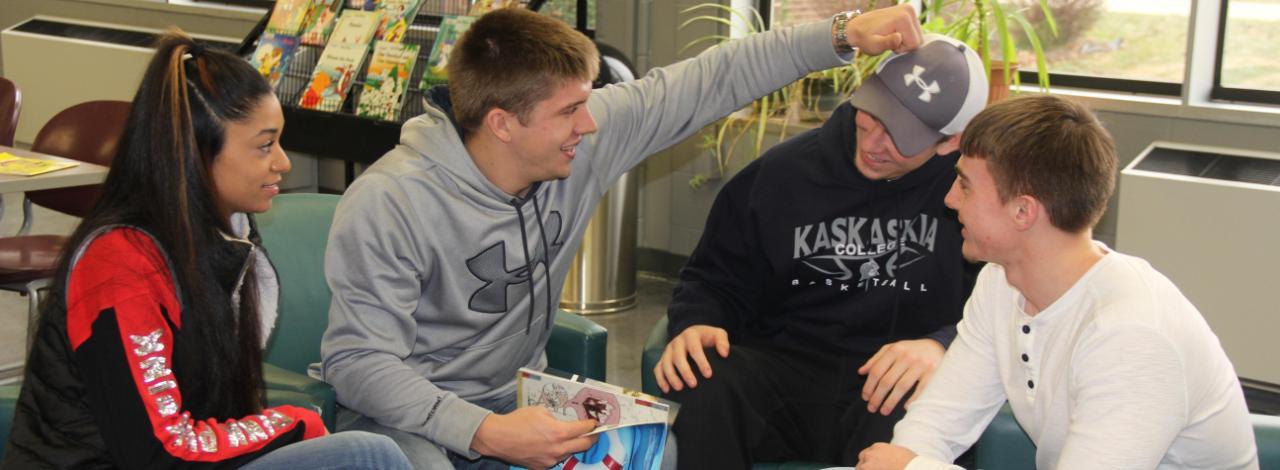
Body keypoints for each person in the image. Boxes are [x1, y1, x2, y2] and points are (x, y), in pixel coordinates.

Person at [320, 5, 926, 469]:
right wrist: (482, 432)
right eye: (569, 112)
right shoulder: (389, 200)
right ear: (503, 124)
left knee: (657, 453)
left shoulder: (579, 140)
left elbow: (711, 78)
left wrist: (842, 33)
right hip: (408, 418)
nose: (590, 124)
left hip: (518, 398)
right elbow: (360, 362)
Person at [0, 31, 410, 470]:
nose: (283, 163)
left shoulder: (222, 238)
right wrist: (291, 425)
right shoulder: (121, 265)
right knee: (368, 454)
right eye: (265, 145)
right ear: (195, 153)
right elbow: (160, 452)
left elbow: (214, 412)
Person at [856, 95, 1259, 470]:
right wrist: (908, 459)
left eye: (964, 185)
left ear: (1022, 211)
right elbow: (939, 420)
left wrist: (911, 467)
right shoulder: (1001, 282)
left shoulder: (1132, 335)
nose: (950, 199)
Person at [653, 33, 989, 468]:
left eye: (900, 137)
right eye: (871, 117)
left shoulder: (971, 197)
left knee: (928, 412)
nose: (871, 145)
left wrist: (942, 343)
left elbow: (1008, 305)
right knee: (710, 381)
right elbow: (715, 277)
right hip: (783, 369)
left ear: (951, 141)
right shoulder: (780, 173)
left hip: (889, 387)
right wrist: (699, 322)